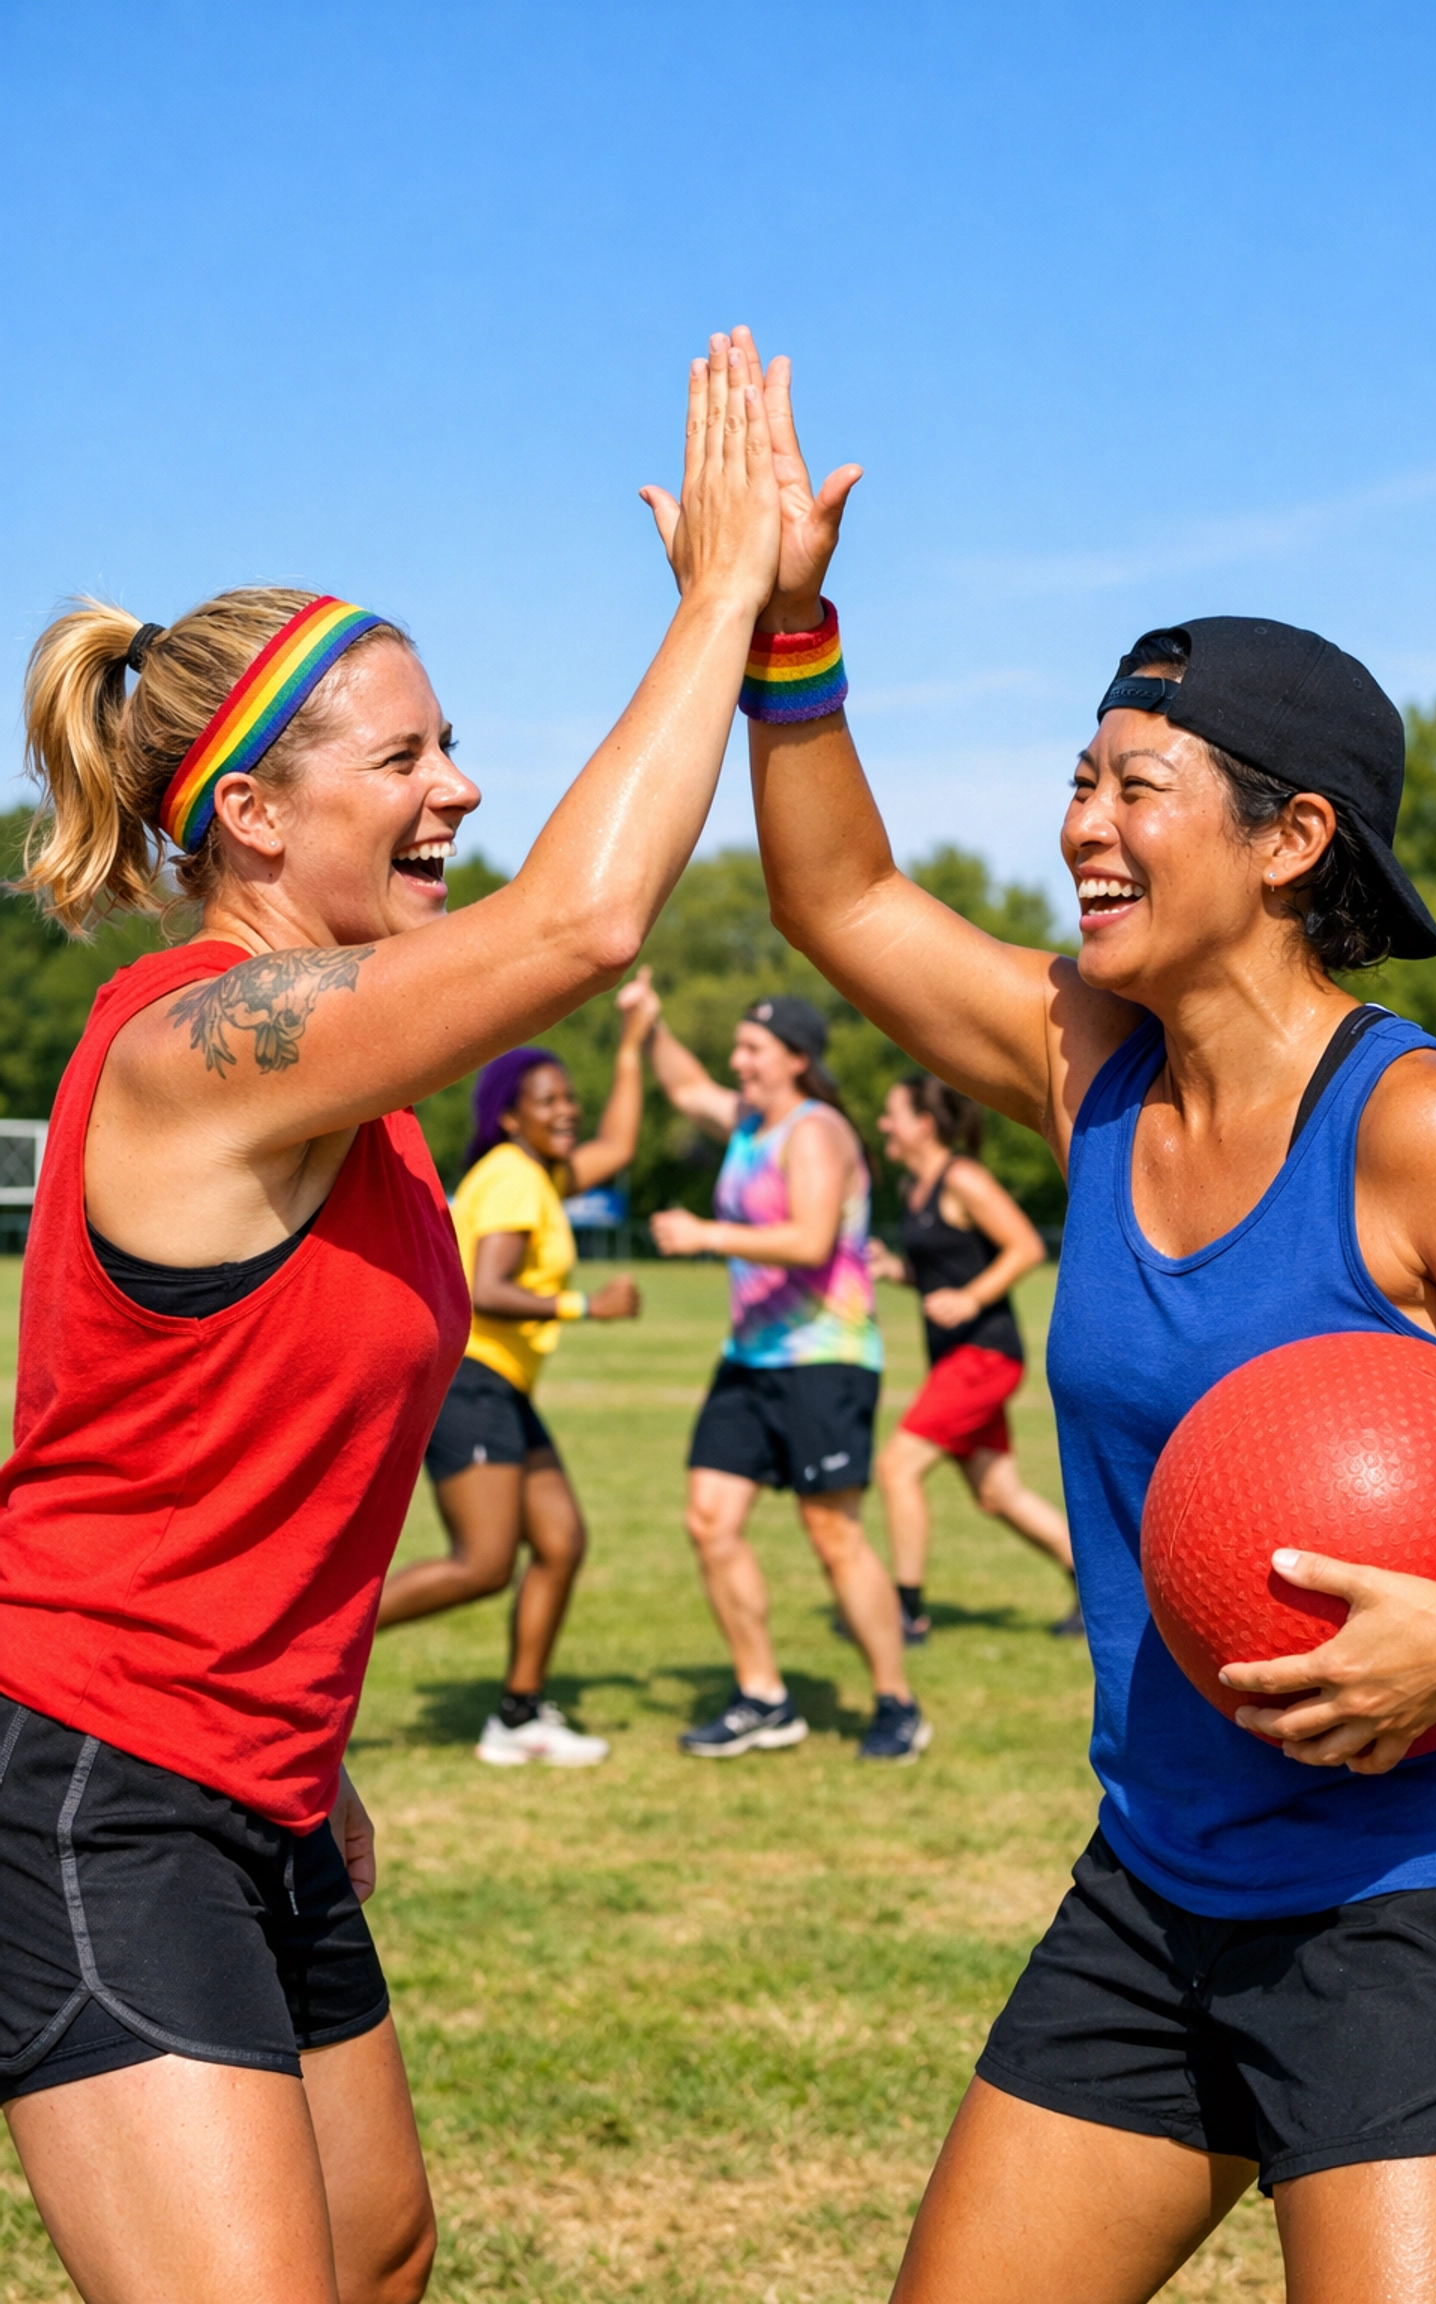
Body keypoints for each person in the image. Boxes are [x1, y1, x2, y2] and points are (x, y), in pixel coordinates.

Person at [709, 324, 1436, 2302]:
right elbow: (845, 905)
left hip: (1434, 1906)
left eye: (1136, 787)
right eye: (1077, 774)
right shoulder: (1087, 1061)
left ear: (1292, 838)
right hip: (1160, 1884)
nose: (1082, 820)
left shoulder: (1430, 1134)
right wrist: (790, 629)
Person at [0, 332, 780, 2304]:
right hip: (96, 1783)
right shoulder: (197, 1045)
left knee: (380, 2256)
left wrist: (307, 1743)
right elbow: (585, 923)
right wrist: (720, 606)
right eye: (410, 758)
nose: (465, 786)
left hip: (255, 1775)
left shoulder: (368, 1110)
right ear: (252, 816)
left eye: (455, 744)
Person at [375, 968, 661, 1767]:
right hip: (469, 1380)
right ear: (509, 1117)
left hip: (502, 1385)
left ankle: (519, 1715)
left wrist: (634, 1043)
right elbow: (483, 1287)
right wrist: (584, 1308)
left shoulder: (539, 1175)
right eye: (549, 1100)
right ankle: (317, 1646)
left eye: (570, 1097)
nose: (567, 1110)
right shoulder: (509, 1178)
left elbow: (622, 1145)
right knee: (483, 1564)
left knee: (561, 1540)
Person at [645, 994, 930, 1762]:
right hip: (749, 1359)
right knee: (710, 1519)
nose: (738, 1064)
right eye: (736, 1050)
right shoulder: (747, 1125)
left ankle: (896, 1700)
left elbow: (808, 1241)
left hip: (824, 1357)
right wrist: (648, 1020)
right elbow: (680, 1086)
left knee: (832, 1533)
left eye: (753, 1049)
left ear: (796, 1058)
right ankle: (764, 1696)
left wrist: (706, 1233)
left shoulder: (817, 1132)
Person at [868, 1072, 1077, 1642]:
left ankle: (907, 1611)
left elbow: (1026, 1246)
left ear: (924, 1125)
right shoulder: (916, 1188)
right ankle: (1092, 1589)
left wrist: (971, 1298)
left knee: (896, 1468)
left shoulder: (961, 1178)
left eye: (892, 1114)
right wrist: (899, 1272)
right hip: (956, 1357)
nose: (884, 1125)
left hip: (984, 1357)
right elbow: (946, 1268)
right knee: (997, 1495)